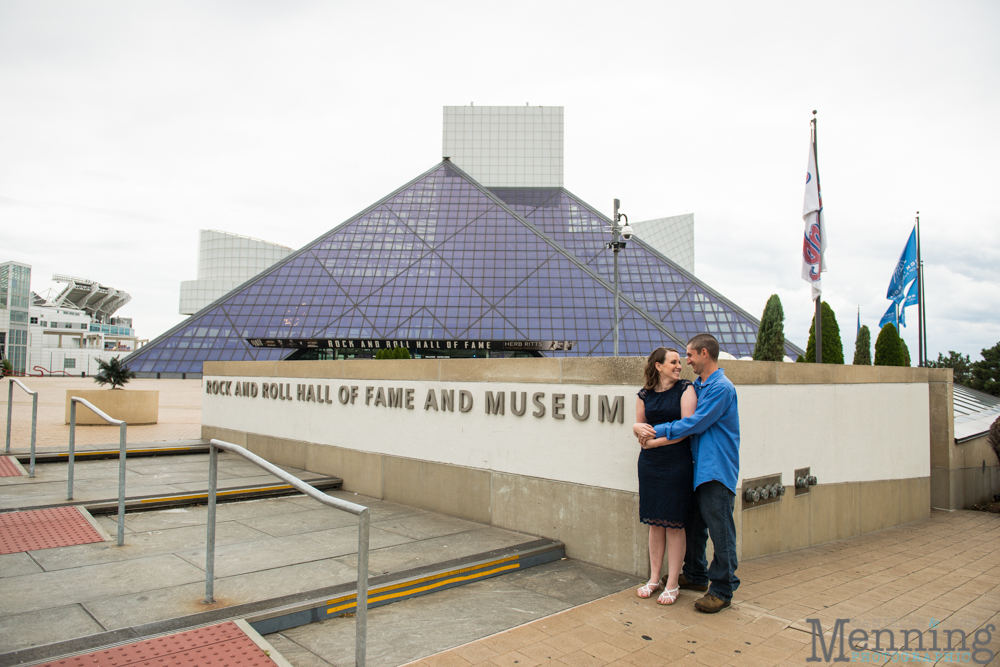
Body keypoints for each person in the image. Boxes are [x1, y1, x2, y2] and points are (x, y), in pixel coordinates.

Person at [634, 333, 740, 613]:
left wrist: (656, 433)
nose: (686, 362)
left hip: (715, 468)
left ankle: (722, 589)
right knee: (694, 526)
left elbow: (695, 423)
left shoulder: (720, 388)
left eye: (689, 356)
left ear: (704, 354)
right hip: (695, 466)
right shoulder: (702, 385)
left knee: (721, 531)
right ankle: (695, 575)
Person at [632, 347, 697, 605]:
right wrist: (636, 428)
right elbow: (640, 432)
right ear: (658, 366)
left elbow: (686, 428)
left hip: (676, 463)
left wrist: (654, 442)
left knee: (674, 523)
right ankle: (654, 579)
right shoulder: (644, 395)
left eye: (680, 361)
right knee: (655, 523)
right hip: (650, 465)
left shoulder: (686, 389)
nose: (679, 365)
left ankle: (673, 583)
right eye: (673, 362)